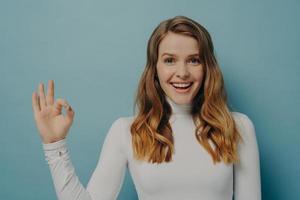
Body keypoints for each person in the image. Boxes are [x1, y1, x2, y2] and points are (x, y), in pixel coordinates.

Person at [32, 15, 261, 200]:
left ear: (207, 67)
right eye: (170, 60)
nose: (182, 72)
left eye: (194, 60)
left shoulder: (238, 127)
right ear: (155, 69)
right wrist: (54, 145)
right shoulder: (126, 131)